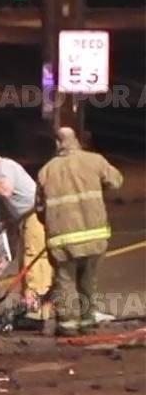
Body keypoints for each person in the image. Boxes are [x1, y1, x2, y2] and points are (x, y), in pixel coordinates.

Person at [36, 127, 123, 335]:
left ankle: (67, 326)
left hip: (62, 241)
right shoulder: (95, 161)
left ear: (57, 143)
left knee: (65, 282)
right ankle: (87, 322)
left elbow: (40, 209)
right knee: (88, 281)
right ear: (77, 140)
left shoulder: (46, 171)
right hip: (94, 237)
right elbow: (116, 181)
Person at [0, 151, 52, 316]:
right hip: (26, 218)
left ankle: (36, 309)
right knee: (25, 263)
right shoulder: (2, 169)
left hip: (34, 216)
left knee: (33, 259)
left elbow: (6, 191)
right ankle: (31, 306)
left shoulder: (2, 167)